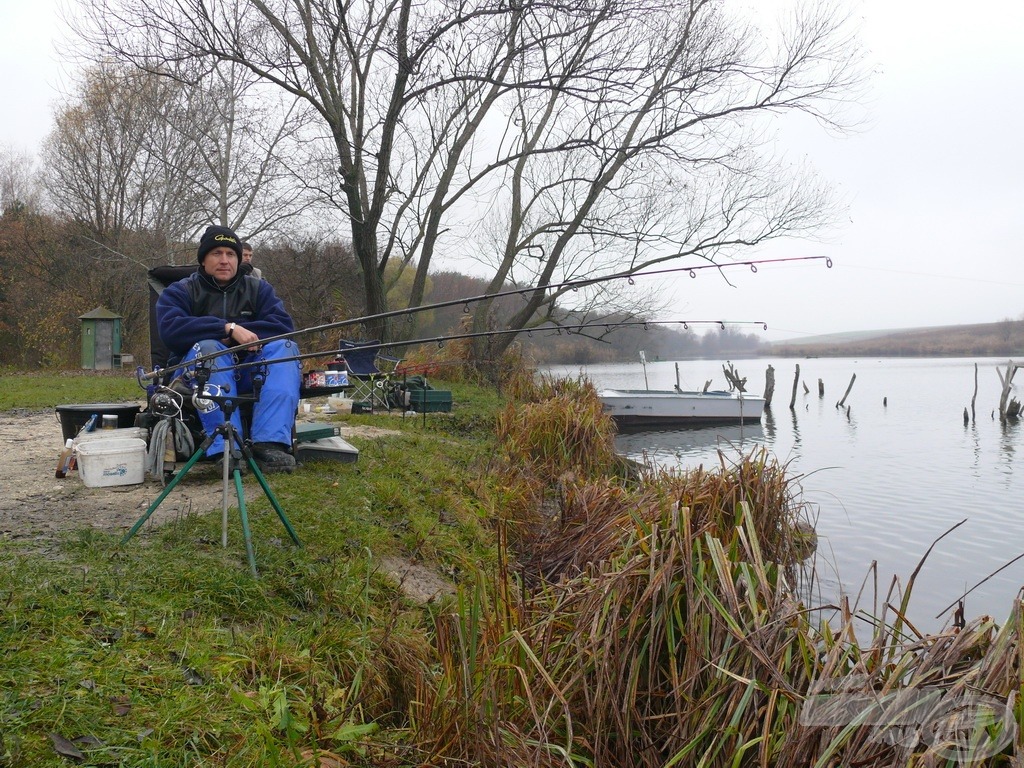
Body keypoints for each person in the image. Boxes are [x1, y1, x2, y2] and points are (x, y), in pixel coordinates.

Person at [156, 225, 300, 472]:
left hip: (248, 373)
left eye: (230, 254)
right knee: (211, 348)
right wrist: (226, 328)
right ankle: (226, 446)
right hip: (195, 377)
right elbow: (171, 330)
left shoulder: (258, 289)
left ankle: (270, 444)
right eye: (216, 253)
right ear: (203, 260)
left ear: (238, 258)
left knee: (285, 347)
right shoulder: (180, 291)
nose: (224, 260)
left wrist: (237, 337)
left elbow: (282, 325)